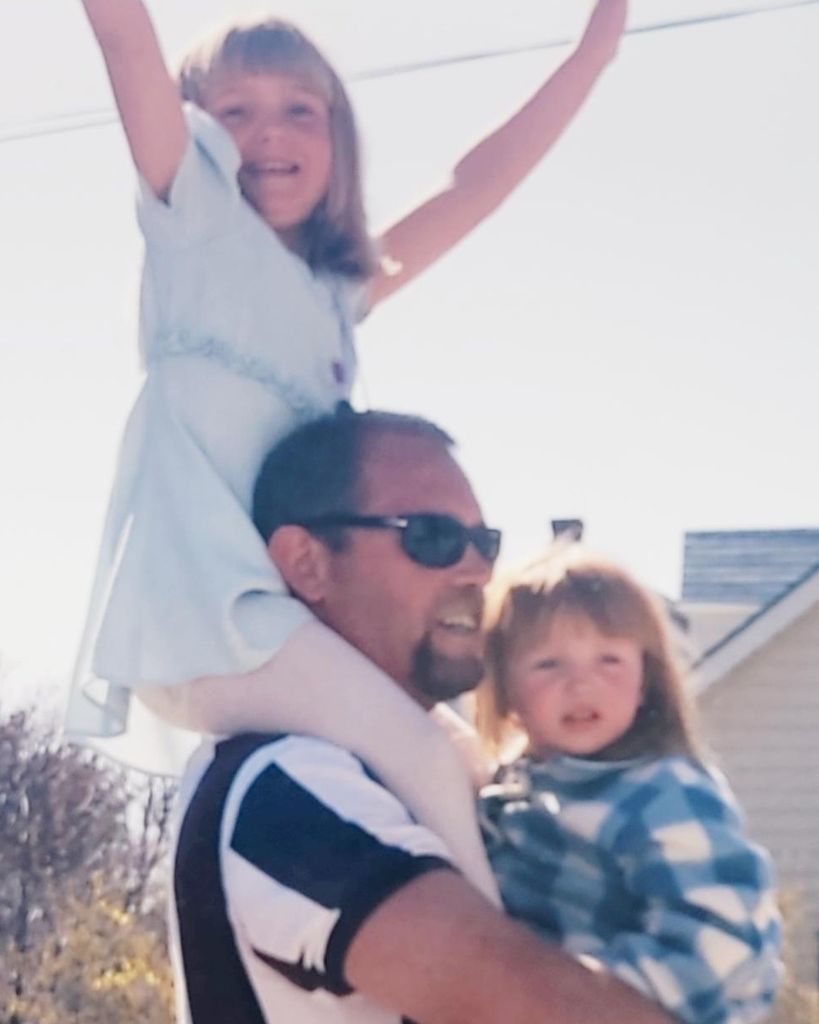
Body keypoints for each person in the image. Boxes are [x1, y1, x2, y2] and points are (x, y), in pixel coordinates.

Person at [65, 1, 628, 798]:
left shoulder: (333, 291)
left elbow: (473, 186)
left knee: (471, 771)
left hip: (283, 618)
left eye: (300, 110)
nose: (269, 132)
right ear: (192, 131)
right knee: (424, 758)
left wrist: (590, 57)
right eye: (235, 112)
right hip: (203, 617)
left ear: (338, 139)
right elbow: (125, 42)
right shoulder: (193, 228)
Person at [172, 408, 675, 1024]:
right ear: (307, 563)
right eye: (432, 537)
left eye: (484, 543)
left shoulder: (427, 776)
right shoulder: (282, 793)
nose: (478, 571)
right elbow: (537, 1007)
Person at [476, 547, 783, 1024]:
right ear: (506, 688)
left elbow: (719, 943)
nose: (582, 685)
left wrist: (568, 1001)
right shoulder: (511, 788)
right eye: (549, 664)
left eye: (609, 660)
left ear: (645, 682)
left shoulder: (666, 792)